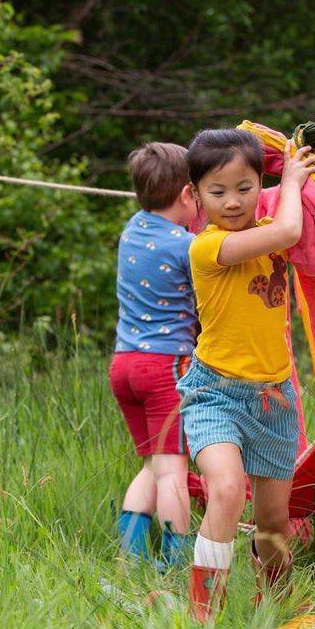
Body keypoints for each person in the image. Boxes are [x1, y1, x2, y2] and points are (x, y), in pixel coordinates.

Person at [176, 128, 315, 622]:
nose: (233, 202)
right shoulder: (207, 247)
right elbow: (287, 232)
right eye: (217, 192)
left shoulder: (270, 220)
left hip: (274, 399)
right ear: (194, 196)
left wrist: (301, 182)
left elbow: (298, 232)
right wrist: (294, 183)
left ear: (261, 184)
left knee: (273, 523)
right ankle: (202, 615)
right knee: (225, 490)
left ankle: (278, 605)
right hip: (215, 394)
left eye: (244, 188)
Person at [109, 141, 198, 568]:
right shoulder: (185, 246)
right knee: (172, 472)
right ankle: (175, 564)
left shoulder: (131, 229)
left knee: (152, 465)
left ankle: (131, 555)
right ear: (186, 196)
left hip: (123, 365)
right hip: (165, 367)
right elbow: (205, 305)